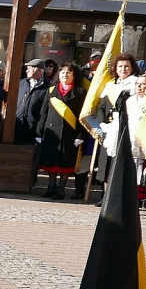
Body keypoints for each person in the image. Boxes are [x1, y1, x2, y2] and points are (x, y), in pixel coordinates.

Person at [89, 53, 139, 206]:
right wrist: (102, 123)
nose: (123, 69)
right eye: (120, 66)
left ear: (132, 68)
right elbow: (101, 107)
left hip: (126, 129)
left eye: (126, 66)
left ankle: (118, 199)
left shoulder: (137, 84)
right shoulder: (111, 85)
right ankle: (105, 197)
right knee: (106, 165)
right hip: (109, 129)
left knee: (121, 164)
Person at [36, 63, 87, 199]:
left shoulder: (80, 92)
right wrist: (39, 132)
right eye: (62, 72)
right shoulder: (51, 90)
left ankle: (61, 190)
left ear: (74, 75)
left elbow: (83, 115)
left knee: (66, 162)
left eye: (68, 72)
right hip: (51, 131)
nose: (65, 75)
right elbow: (44, 112)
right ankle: (51, 187)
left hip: (70, 133)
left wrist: (80, 135)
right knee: (51, 161)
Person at [15, 58, 49, 144]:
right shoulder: (22, 83)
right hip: (17, 126)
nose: (27, 71)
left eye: (29, 68)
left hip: (33, 130)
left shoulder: (48, 87)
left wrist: (39, 130)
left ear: (39, 70)